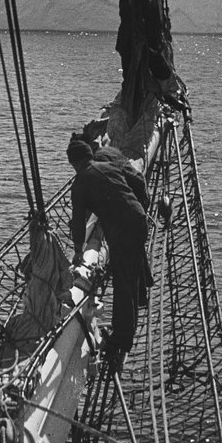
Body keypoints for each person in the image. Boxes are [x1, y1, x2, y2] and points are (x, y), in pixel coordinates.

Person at [67, 134, 151, 370]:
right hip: (138, 221)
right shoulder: (108, 165)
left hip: (123, 232)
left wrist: (77, 252)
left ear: (74, 164)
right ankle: (127, 331)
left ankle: (121, 340)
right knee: (130, 281)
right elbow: (136, 181)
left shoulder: (80, 182)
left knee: (124, 284)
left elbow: (77, 223)